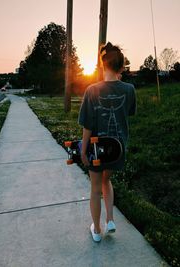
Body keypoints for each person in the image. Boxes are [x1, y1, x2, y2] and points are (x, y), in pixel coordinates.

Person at [78, 42, 136, 242]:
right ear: (121, 67)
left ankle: (96, 231)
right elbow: (128, 113)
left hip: (97, 148)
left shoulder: (92, 90)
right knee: (107, 180)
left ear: (103, 65)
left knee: (95, 188)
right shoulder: (129, 89)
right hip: (118, 148)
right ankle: (110, 220)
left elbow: (86, 125)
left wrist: (83, 151)